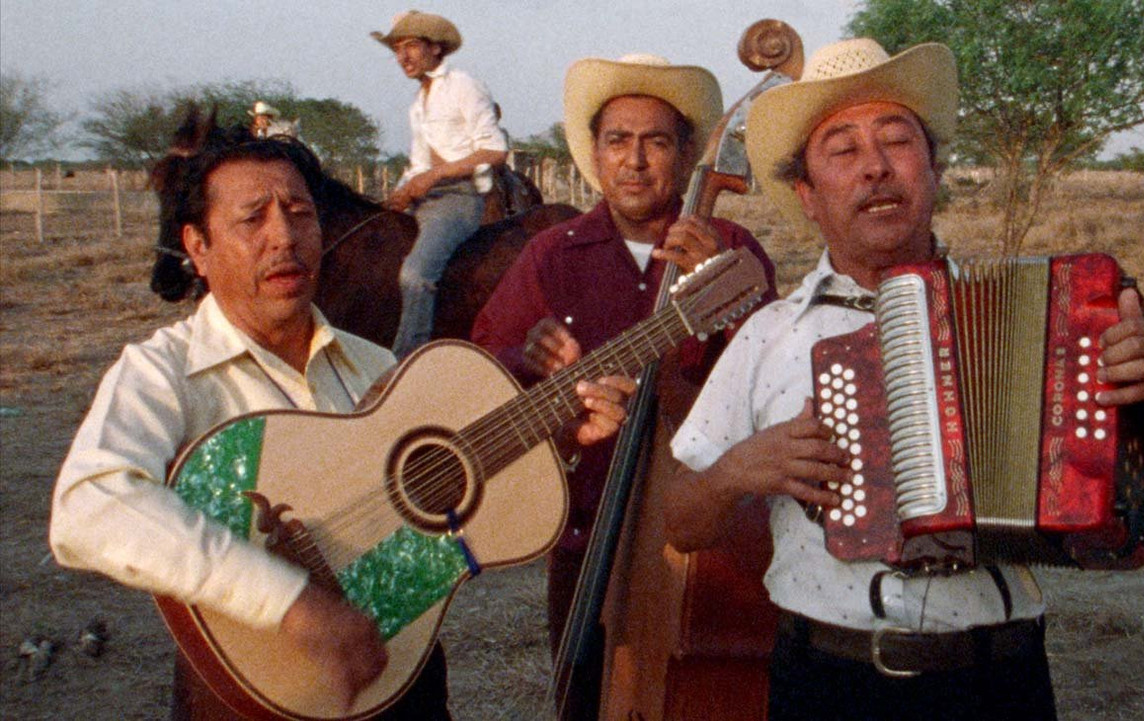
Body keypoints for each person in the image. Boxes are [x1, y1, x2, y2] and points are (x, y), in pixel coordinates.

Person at [663, 38, 1144, 721]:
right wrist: (734, 471)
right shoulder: (768, 334)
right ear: (807, 194)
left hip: (999, 679)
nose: (876, 168)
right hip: (829, 679)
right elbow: (681, 522)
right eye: (842, 150)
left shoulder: (1052, 320)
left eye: (898, 141)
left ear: (935, 171)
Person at [48, 128, 635, 719]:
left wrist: (551, 438)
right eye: (253, 220)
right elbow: (89, 504)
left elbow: (442, 510)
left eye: (300, 213)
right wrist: (291, 603)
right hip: (252, 694)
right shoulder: (163, 371)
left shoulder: (375, 365)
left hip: (401, 675)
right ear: (197, 247)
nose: (284, 237)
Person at [471, 53, 778, 653]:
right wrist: (525, 359)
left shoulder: (732, 247)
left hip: (710, 539)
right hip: (587, 533)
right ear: (596, 153)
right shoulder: (551, 254)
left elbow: (776, 377)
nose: (634, 161)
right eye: (618, 141)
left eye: (655, 142)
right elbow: (486, 366)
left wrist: (718, 282)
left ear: (686, 157)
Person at [371, 10, 509, 358]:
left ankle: (405, 364)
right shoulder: (418, 104)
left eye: (411, 46)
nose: (403, 56)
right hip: (423, 198)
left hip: (457, 200)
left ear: (435, 48)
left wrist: (433, 176)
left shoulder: (462, 85)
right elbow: (419, 163)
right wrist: (401, 191)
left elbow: (495, 150)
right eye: (397, 49)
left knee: (416, 276)